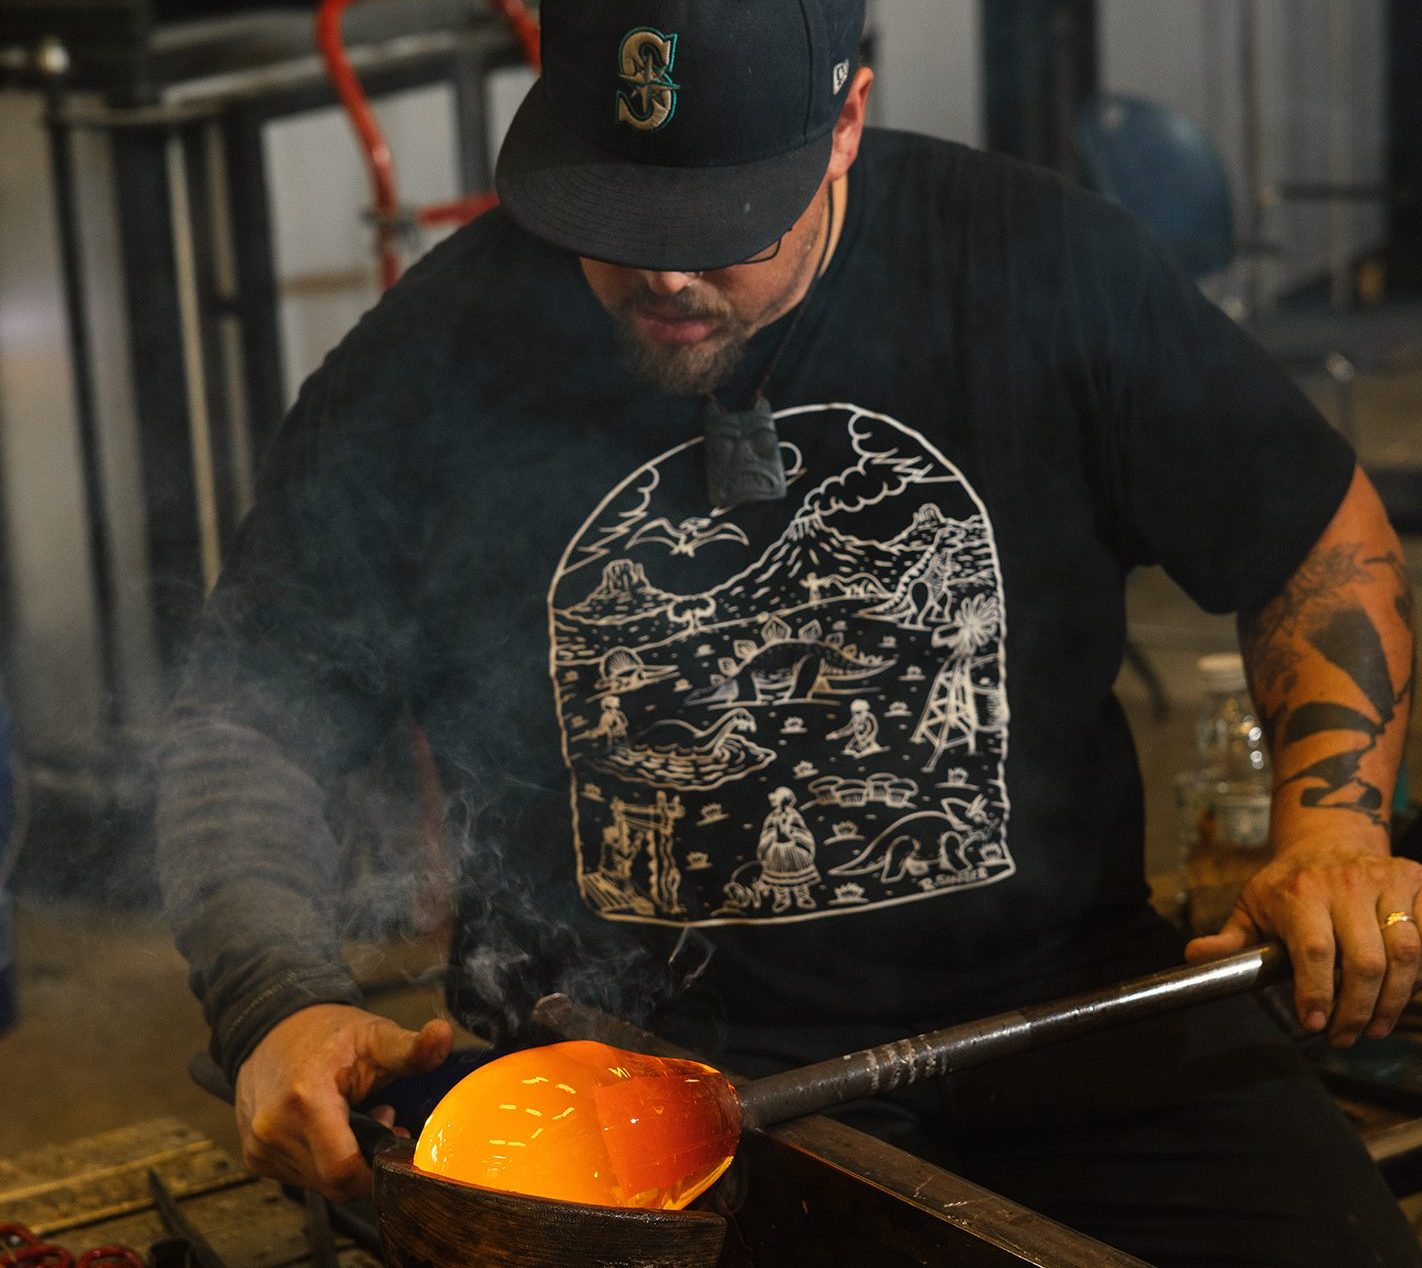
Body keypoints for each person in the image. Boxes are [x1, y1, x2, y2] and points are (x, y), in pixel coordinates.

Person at [156, 1, 1421, 1261]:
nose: (665, 277)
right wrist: (277, 999)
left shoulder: (1042, 263)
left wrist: (1333, 829)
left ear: (846, 123)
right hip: (611, 1078)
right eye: (616, 219)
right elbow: (248, 721)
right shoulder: (419, 367)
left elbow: (1314, 532)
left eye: (718, 227)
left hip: (1065, 1017)